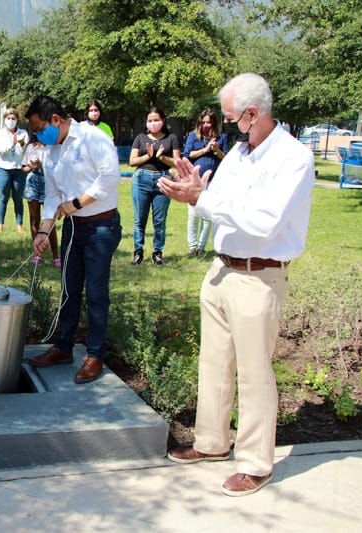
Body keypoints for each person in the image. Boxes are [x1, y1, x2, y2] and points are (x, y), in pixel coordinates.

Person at [159, 73, 315, 497]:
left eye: (230, 118)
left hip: (259, 275)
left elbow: (263, 221)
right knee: (213, 363)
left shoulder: (293, 158)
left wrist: (203, 200)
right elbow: (217, 203)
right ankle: (212, 443)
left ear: (253, 113)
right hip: (222, 270)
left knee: (254, 372)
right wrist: (196, 189)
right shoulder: (239, 155)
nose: (225, 125)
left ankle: (256, 462)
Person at [25, 96, 122, 385]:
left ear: (56, 119)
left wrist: (77, 204)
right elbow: (52, 196)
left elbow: (110, 178)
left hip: (100, 228)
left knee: (95, 292)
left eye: (40, 128)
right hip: (72, 229)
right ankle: (62, 347)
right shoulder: (51, 151)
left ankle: (94, 355)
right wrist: (44, 231)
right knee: (68, 289)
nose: (39, 136)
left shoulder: (94, 138)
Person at [128, 106, 180, 265]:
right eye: (150, 120)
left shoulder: (171, 138)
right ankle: (138, 252)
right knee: (139, 219)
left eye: (156, 120)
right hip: (141, 179)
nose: (153, 123)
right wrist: (148, 156)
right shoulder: (140, 138)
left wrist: (161, 157)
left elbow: (177, 162)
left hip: (163, 179)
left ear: (163, 121)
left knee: (160, 220)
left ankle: (157, 253)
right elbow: (132, 161)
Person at [182, 108, 228, 256]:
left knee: (208, 216)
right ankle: (192, 247)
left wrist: (216, 150)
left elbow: (226, 158)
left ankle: (201, 247)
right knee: (193, 215)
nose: (206, 125)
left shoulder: (221, 138)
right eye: (204, 122)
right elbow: (188, 155)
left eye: (209, 122)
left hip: (213, 182)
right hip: (195, 181)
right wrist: (205, 149)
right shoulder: (192, 136)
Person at [21, 133, 60, 267]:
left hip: (48, 183)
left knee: (50, 221)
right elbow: (24, 168)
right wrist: (32, 167)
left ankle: (56, 256)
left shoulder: (52, 148)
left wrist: (42, 165)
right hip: (33, 183)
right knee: (34, 220)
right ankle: (37, 255)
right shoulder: (31, 147)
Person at [0, 108, 29, 233]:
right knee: (3, 197)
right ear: (4, 120)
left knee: (18, 198)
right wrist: (12, 145)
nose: (11, 121)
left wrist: (22, 144)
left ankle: (19, 224)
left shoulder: (23, 132)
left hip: (18, 169)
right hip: (3, 169)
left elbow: (26, 150)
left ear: (17, 120)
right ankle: (0, 224)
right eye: (8, 118)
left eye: (13, 118)